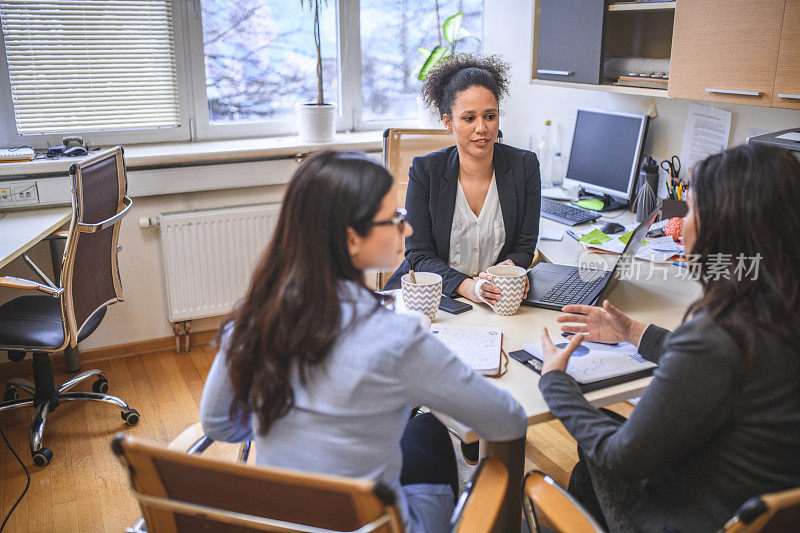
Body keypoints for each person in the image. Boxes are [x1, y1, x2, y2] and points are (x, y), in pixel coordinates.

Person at [200, 150, 526, 533]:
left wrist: (298, 426)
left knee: (420, 430)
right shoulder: (399, 339)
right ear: (352, 239)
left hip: (286, 519)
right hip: (374, 524)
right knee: (432, 431)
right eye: (394, 219)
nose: (407, 229)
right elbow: (508, 420)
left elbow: (218, 423)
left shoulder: (250, 320)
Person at [537, 143, 800, 532]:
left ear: (724, 226)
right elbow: (714, 366)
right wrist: (633, 332)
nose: (682, 223)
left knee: (583, 450)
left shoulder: (719, 335)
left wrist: (556, 383)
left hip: (686, 518)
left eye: (691, 209)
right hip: (759, 508)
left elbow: (621, 457)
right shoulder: (775, 313)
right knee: (592, 450)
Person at [385, 55, 541, 305]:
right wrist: (469, 287)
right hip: (435, 295)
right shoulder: (425, 170)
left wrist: (504, 275)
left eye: (490, 116)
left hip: (498, 297)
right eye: (469, 118)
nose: (482, 128)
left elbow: (524, 246)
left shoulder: (525, 166)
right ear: (448, 122)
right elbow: (419, 253)